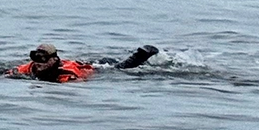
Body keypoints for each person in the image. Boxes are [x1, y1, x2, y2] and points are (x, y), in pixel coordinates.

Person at [9, 42, 159, 83]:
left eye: (43, 59)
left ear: (54, 59)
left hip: (97, 69)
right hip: (86, 62)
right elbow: (11, 73)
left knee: (120, 68)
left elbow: (77, 83)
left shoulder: (65, 74)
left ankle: (143, 55)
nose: (38, 63)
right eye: (35, 57)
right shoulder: (31, 66)